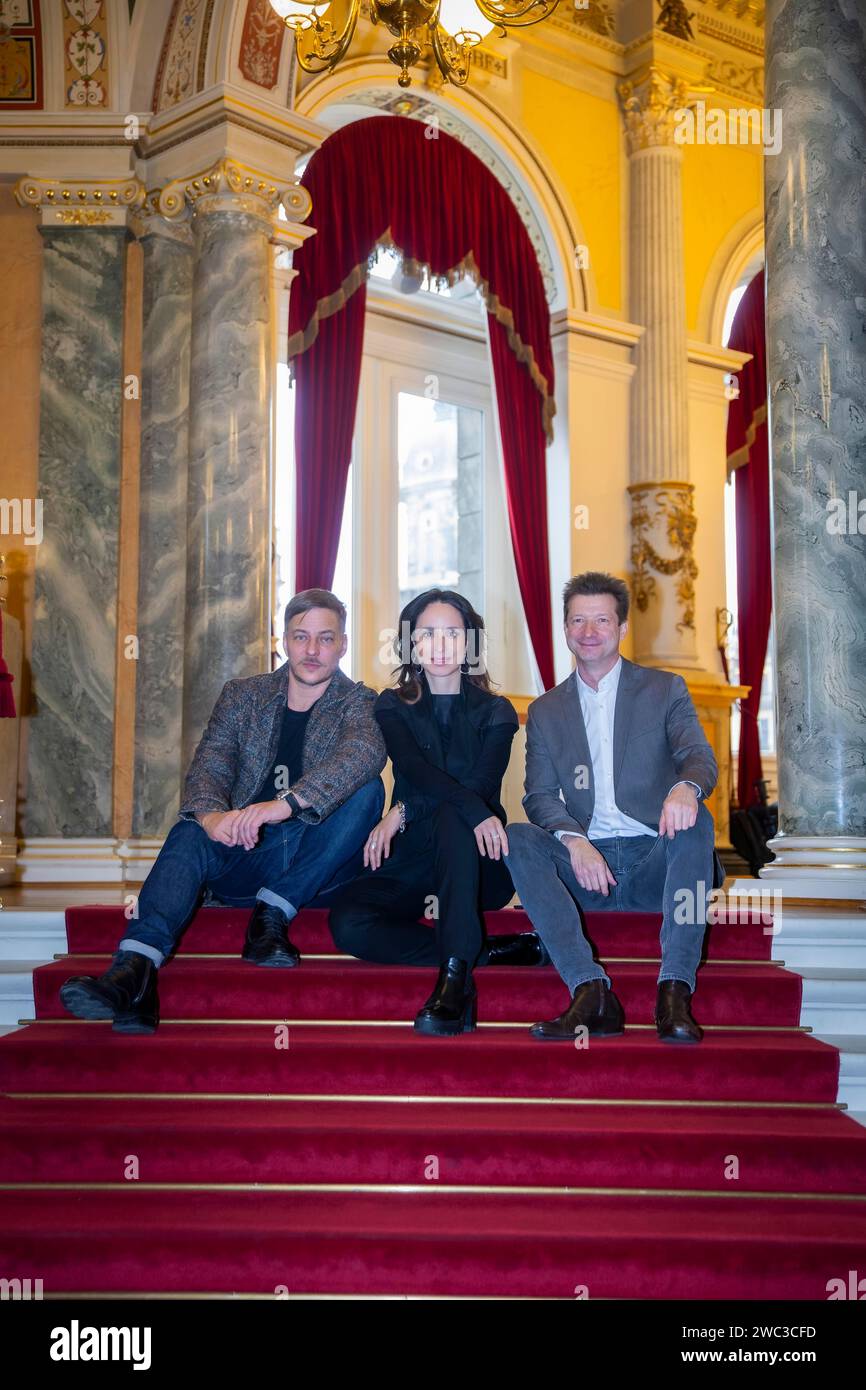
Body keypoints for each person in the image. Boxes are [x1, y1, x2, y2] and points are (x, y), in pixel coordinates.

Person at [59, 590, 386, 1035]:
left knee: (367, 790)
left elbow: (362, 754)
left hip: (318, 861)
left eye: (325, 639)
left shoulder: (360, 701)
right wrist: (213, 818)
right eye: (301, 637)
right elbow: (210, 767)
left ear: (343, 645)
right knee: (192, 828)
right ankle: (132, 972)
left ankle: (272, 914)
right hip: (248, 853)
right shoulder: (243, 696)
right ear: (282, 641)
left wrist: (282, 805)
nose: (312, 650)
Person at [505, 571, 724, 1044]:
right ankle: (591, 992)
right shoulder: (546, 710)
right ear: (565, 629)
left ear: (622, 628)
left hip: (655, 864)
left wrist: (686, 786)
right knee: (518, 837)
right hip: (587, 872)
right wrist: (574, 839)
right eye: (578, 621)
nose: (589, 631)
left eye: (601, 620)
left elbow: (697, 755)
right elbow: (538, 795)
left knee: (695, 819)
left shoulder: (664, 689)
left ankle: (674, 993)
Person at [327, 588, 547, 1037]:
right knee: (348, 920)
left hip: (478, 863)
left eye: (453, 632)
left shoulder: (496, 712)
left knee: (455, 816)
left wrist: (402, 809)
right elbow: (414, 769)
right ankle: (484, 951)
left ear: (470, 643)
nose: (442, 644)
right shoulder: (392, 704)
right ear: (412, 643)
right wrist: (409, 813)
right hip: (414, 859)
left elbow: (479, 788)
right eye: (428, 633)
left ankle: (455, 982)